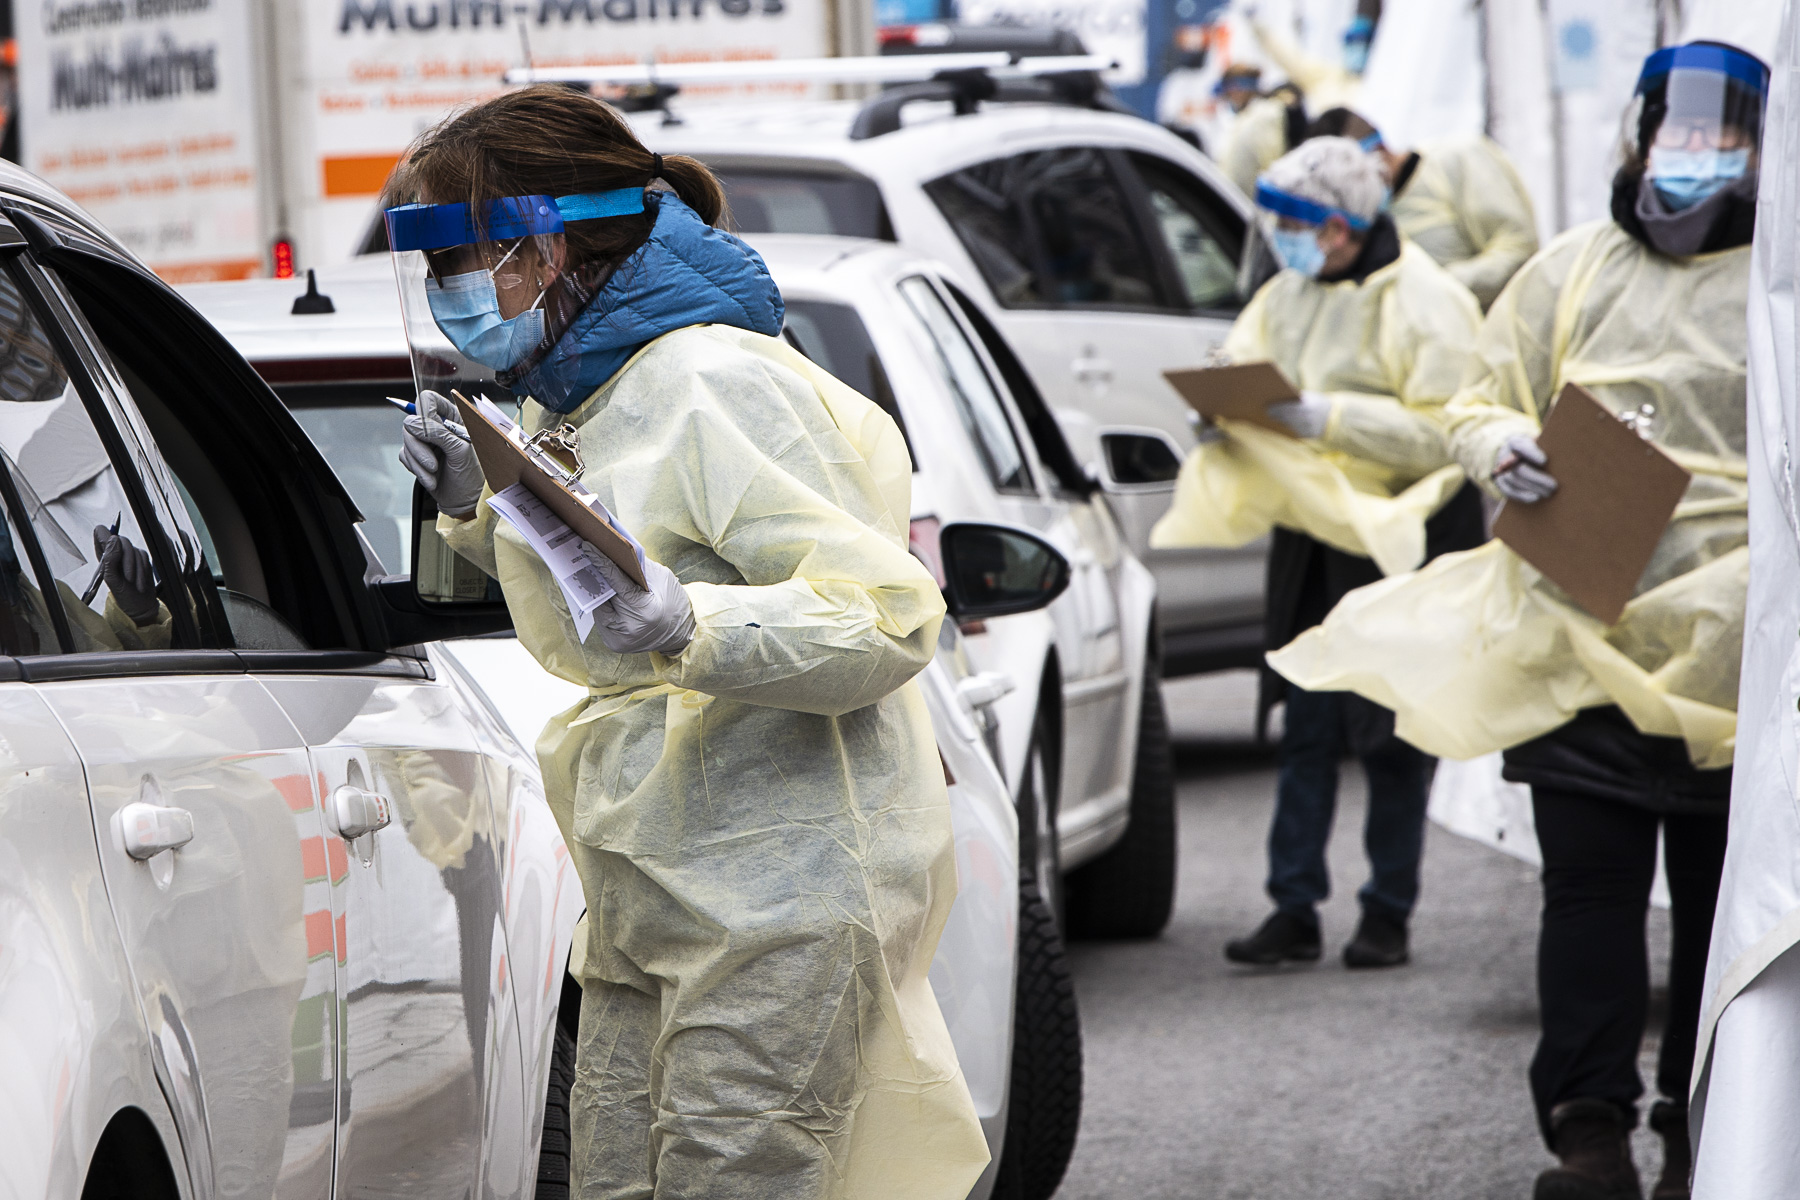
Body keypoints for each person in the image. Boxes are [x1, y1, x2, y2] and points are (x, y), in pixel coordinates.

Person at [386, 86, 988, 1199]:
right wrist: (485, 510)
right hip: (652, 889)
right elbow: (609, 589)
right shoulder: (586, 395)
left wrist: (693, 627)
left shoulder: (710, 380)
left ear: (547, 246)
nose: (449, 296)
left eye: (461, 259)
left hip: (778, 898)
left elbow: (889, 614)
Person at [1269, 41, 1765, 1200]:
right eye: (1675, 134)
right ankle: (1587, 1133)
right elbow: (1479, 394)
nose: (1690, 160)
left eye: (1720, 137)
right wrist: (1499, 444)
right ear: (1638, 137)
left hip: (1737, 655)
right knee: (1587, 895)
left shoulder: (1781, 282)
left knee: (1717, 909)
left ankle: (1706, 1129)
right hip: (1580, 623)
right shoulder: (1574, 270)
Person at [1152, 137, 1484, 970]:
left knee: (1390, 730)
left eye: (1296, 226)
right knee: (1303, 723)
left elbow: (1450, 433)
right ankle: (1292, 906)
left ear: (1340, 227)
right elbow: (1243, 359)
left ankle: (1388, 910)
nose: (1284, 240)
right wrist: (1220, 405)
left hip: (1399, 537)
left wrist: (1329, 418)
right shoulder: (1289, 291)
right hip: (1311, 535)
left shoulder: (1427, 303)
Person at [1307, 107, 1540, 310]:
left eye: (1352, 181)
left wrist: (1429, 293)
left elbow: (1519, 251)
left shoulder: (1458, 160)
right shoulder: (1370, 218)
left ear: (1378, 150)